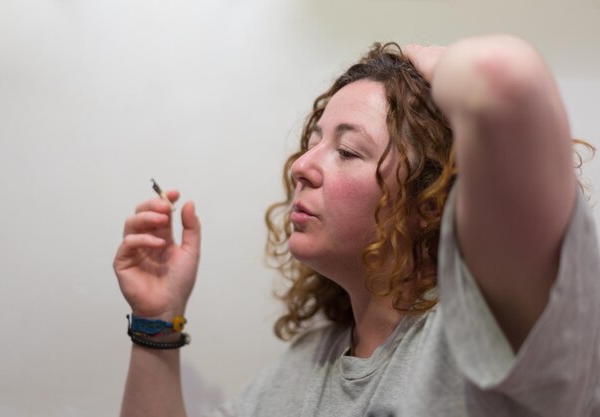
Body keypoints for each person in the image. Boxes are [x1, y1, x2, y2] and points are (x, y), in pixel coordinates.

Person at [113, 34, 600, 417]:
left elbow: (503, 76)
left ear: (429, 195)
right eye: (314, 139)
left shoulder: (489, 334)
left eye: (347, 151)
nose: (300, 166)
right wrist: (158, 320)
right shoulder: (305, 367)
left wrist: (425, 62)